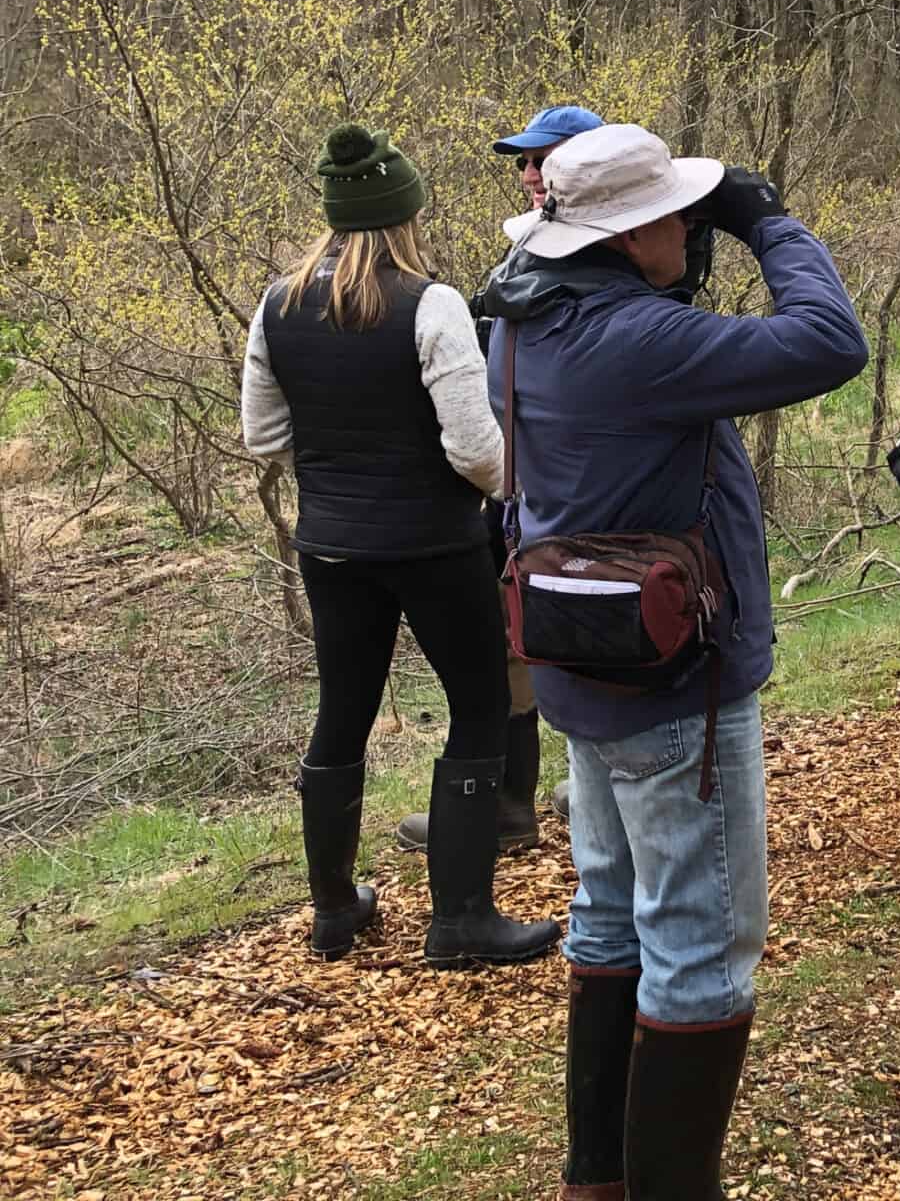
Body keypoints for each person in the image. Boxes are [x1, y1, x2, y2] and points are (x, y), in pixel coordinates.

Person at [484, 124, 866, 1201]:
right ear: (628, 229)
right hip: (670, 690)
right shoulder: (638, 342)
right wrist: (767, 221)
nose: (693, 228)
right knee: (701, 941)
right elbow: (832, 341)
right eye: (680, 214)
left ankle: (594, 1176)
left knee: (608, 909)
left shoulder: (515, 318)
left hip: (579, 666)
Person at [239, 124, 563, 969]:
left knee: (341, 712)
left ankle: (336, 912)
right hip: (433, 543)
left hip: (332, 546)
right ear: (405, 216)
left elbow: (260, 433)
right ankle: (461, 920)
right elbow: (475, 449)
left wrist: (339, 468)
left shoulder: (277, 302)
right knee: (481, 705)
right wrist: (515, 493)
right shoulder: (433, 303)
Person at [392, 101, 608, 858]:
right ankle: (517, 805)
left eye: (540, 160)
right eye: (523, 161)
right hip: (516, 482)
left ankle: (597, 792)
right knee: (515, 639)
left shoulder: (618, 253)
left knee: (599, 625)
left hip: (582, 484)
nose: (526, 175)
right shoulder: (525, 252)